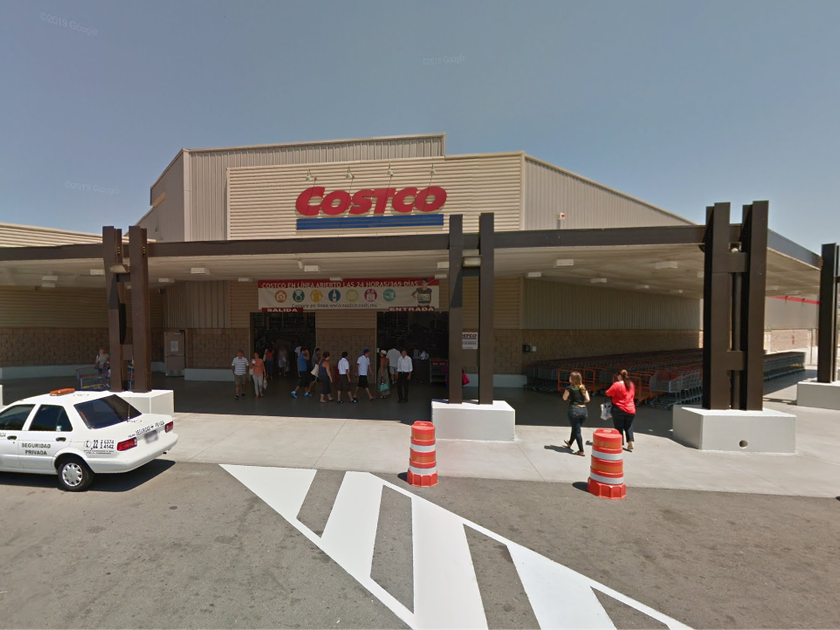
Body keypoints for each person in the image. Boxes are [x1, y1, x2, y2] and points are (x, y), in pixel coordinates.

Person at [606, 369, 637, 451]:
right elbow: (633, 394)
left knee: (618, 427)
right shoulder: (631, 384)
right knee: (628, 425)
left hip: (619, 408)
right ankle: (630, 441)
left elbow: (608, 393)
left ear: (620, 376)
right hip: (631, 409)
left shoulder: (617, 384)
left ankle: (619, 442)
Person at [562, 372, 590, 457]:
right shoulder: (583, 387)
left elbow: (564, 398)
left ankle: (581, 451)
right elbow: (588, 399)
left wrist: (573, 399)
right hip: (584, 411)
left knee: (577, 431)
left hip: (574, 410)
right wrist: (580, 400)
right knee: (575, 427)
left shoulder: (569, 388)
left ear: (572, 379)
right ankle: (570, 443)